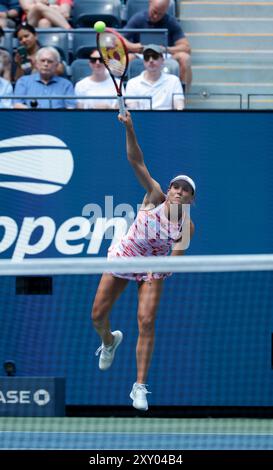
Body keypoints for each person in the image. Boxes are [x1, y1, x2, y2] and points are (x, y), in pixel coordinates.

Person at [91, 111, 195, 411]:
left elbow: (175, 260)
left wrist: (157, 268)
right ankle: (109, 341)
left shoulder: (186, 226)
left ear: (190, 200)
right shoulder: (154, 195)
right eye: (177, 187)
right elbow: (136, 161)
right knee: (97, 316)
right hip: (124, 258)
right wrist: (130, 128)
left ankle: (139, 386)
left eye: (186, 191)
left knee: (147, 322)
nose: (179, 192)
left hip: (154, 269)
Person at [123, 0, 192, 90]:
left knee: (185, 58)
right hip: (142, 54)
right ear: (150, 3)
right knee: (126, 58)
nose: (156, 16)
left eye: (160, 14)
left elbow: (186, 47)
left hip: (163, 54)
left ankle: (181, 96)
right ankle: (125, 94)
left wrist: (166, 49)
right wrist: (134, 47)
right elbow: (119, 39)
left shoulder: (171, 21)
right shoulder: (138, 18)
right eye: (154, 12)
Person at [125, 44, 184, 110]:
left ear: (162, 60)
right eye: (147, 57)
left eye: (155, 56)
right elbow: (133, 111)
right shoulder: (132, 83)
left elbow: (179, 107)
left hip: (167, 119)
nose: (151, 60)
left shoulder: (174, 81)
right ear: (144, 61)